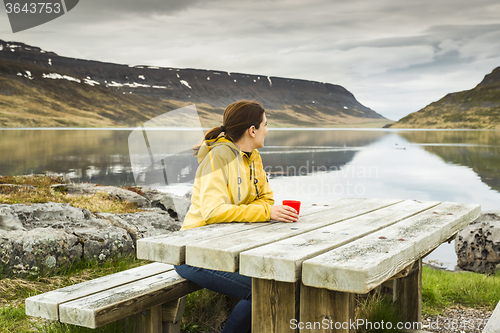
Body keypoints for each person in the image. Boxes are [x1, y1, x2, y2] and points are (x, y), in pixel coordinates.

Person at [174, 100, 298, 333]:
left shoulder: (253, 157)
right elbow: (213, 212)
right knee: (262, 290)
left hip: (226, 247)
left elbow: (266, 200)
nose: (267, 130)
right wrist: (263, 212)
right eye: (265, 124)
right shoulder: (218, 157)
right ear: (252, 130)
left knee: (283, 282)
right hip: (192, 252)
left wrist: (264, 210)